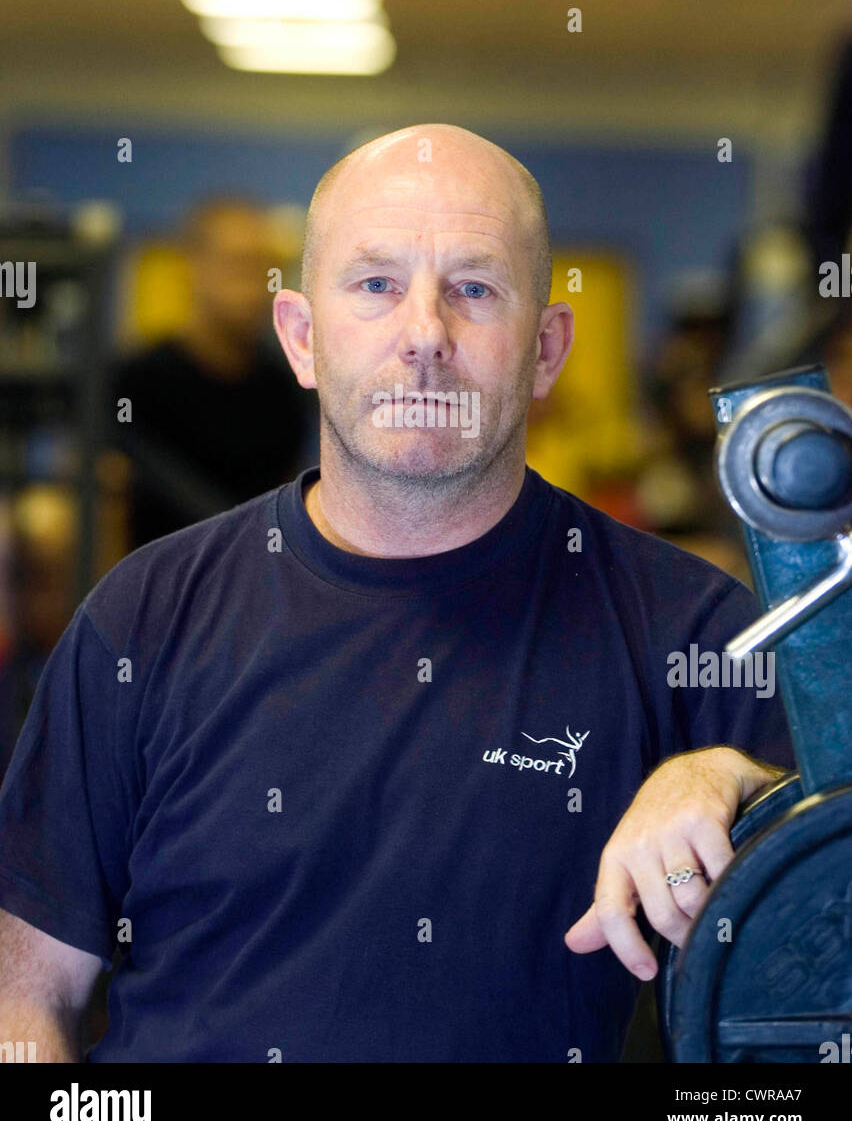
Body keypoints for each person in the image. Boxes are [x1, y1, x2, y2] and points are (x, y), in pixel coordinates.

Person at [0, 125, 794, 1063]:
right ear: (301, 338)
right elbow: (28, 997)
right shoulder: (142, 619)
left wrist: (746, 788)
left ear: (546, 350)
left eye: (474, 289)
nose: (426, 335)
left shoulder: (691, 632)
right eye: (376, 285)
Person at [112, 196, 316, 549]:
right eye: (238, 266)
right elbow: (106, 507)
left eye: (265, 268)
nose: (253, 287)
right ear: (195, 265)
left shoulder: (286, 383)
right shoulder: (136, 383)